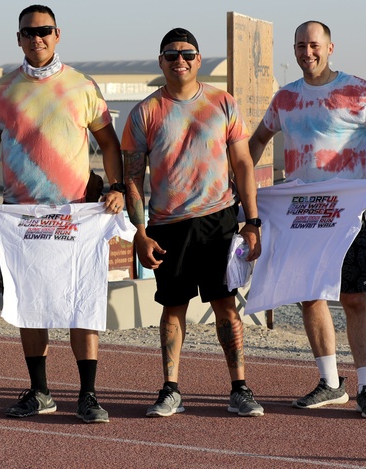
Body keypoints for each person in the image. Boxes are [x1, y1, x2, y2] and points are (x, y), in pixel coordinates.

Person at [248, 20, 366, 419]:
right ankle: (330, 382)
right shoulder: (285, 98)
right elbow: (257, 140)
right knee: (310, 295)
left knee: (354, 298)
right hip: (301, 215)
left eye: (315, 45)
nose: (308, 52)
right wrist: (238, 182)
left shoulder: (357, 89)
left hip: (343, 214)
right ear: (294, 50)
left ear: (330, 47)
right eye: (301, 46)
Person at [0, 4, 125, 423]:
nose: (37, 38)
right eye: (28, 32)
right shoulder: (2, 91)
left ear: (59, 34)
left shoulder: (82, 86)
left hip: (78, 215)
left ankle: (88, 395)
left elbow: (109, 144)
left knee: (82, 303)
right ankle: (40, 392)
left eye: (45, 30)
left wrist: (116, 188)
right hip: (23, 216)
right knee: (30, 304)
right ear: (18, 38)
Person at [122, 28, 263, 418]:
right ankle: (170, 390)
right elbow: (132, 177)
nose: (179, 60)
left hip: (218, 220)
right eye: (170, 55)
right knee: (173, 308)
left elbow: (243, 165)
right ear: (161, 61)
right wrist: (139, 233)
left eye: (187, 53)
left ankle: (240, 388)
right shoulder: (144, 113)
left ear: (199, 59)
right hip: (168, 225)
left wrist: (252, 221)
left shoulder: (223, 103)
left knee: (225, 305)